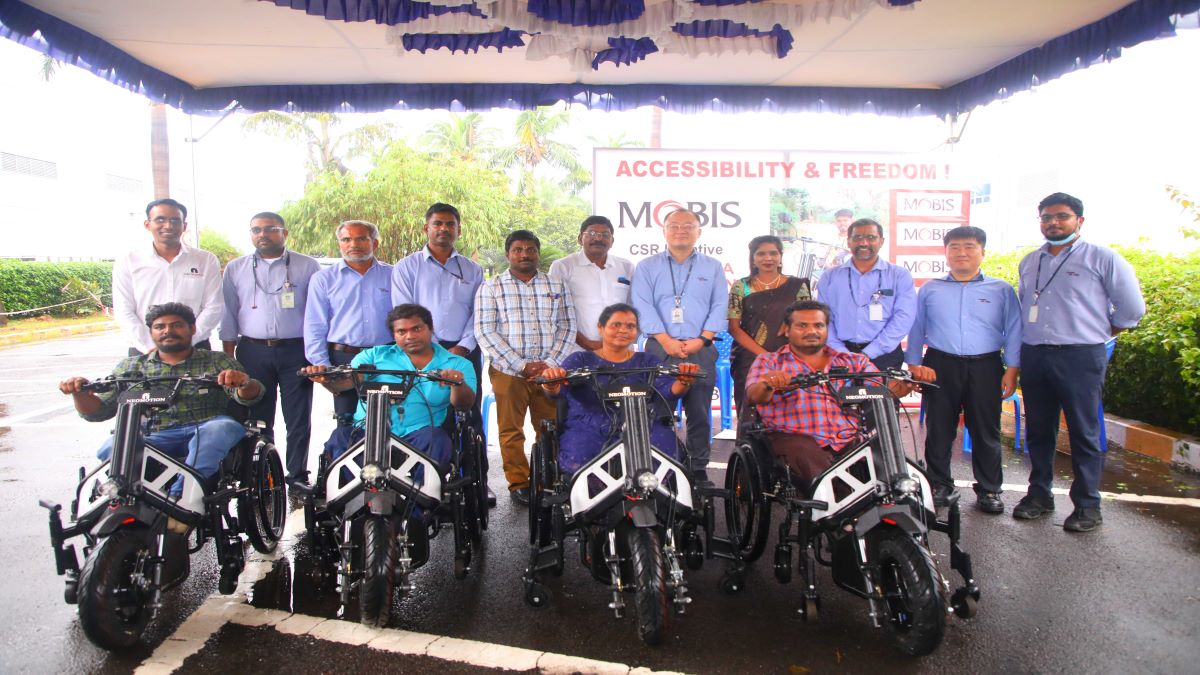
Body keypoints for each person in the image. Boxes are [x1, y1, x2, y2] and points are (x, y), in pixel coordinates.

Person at [59, 303, 263, 531]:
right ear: (152, 332)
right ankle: (126, 499)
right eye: (160, 326)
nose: (168, 331)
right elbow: (98, 411)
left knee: (217, 431)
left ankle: (181, 502)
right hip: (155, 435)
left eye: (176, 325)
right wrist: (79, 393)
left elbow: (250, 396)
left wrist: (243, 382)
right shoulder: (132, 367)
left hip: (206, 426)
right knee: (110, 447)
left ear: (193, 329)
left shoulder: (216, 361)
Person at [1012, 192, 1145, 532]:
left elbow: (1132, 310)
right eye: (1046, 217)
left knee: (1084, 432)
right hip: (1036, 354)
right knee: (1039, 429)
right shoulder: (1030, 261)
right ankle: (1039, 496)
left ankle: (1087, 505)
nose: (1053, 222)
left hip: (1080, 355)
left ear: (1079, 221)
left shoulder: (1103, 259)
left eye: (1062, 216)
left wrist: (1097, 333)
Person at [905, 226, 1021, 513]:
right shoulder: (931, 289)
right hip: (940, 364)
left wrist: (1013, 369)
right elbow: (916, 327)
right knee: (939, 428)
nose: (961, 253)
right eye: (954, 247)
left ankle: (989, 490)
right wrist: (914, 365)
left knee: (985, 429)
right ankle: (940, 485)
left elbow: (1015, 331)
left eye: (969, 246)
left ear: (982, 251)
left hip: (986, 365)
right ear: (946, 252)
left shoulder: (1001, 290)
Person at [744, 300, 921, 485]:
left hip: (847, 438)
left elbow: (883, 391)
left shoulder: (853, 361)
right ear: (786, 330)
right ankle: (839, 506)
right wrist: (768, 384)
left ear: (827, 329)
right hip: (794, 438)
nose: (811, 331)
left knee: (889, 462)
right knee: (821, 472)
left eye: (818, 325)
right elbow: (754, 396)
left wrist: (909, 382)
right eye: (802, 325)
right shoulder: (769, 361)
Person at [302, 304, 475, 468]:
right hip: (367, 433)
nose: (410, 336)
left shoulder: (457, 364)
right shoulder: (374, 356)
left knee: (438, 441)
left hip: (420, 434)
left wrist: (457, 383)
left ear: (431, 329)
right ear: (394, 335)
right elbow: (344, 384)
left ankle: (421, 499)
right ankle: (352, 498)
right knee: (339, 438)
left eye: (417, 328)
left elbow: (464, 404)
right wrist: (325, 379)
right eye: (402, 331)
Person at [220, 212, 321, 485]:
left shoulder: (307, 266)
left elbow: (317, 314)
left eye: (270, 229)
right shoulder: (236, 268)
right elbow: (228, 313)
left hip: (296, 351)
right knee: (258, 416)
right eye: (256, 230)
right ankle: (265, 474)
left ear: (284, 233)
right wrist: (228, 357)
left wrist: (316, 354)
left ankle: (297, 475)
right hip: (252, 351)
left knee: (298, 417)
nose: (262, 234)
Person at [476, 230, 576, 504]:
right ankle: (519, 483)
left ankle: (548, 479)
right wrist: (521, 365)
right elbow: (485, 331)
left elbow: (567, 326)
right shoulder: (491, 287)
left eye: (530, 249)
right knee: (511, 430)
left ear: (537, 253)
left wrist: (551, 363)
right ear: (508, 254)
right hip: (509, 372)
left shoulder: (556, 285)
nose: (524, 254)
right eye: (518, 249)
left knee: (551, 427)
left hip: (549, 372)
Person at [539, 304, 698, 474]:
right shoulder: (580, 359)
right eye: (616, 325)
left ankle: (658, 497)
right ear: (601, 328)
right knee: (578, 458)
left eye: (630, 326)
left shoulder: (647, 361)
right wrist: (550, 382)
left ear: (636, 332)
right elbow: (557, 392)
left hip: (643, 425)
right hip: (589, 426)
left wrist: (685, 380)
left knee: (669, 454)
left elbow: (669, 390)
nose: (623, 330)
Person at [630, 208, 728, 483]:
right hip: (660, 348)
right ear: (664, 230)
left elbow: (720, 305)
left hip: (701, 347)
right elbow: (642, 305)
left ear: (699, 231)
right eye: (674, 225)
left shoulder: (712, 266)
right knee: (659, 409)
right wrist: (666, 341)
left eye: (688, 225)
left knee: (699, 411)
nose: (681, 230)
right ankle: (660, 463)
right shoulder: (647, 266)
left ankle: (698, 469)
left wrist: (701, 339)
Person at [391, 203, 485, 420]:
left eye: (450, 224)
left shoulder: (473, 269)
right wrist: (431, 346)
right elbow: (404, 313)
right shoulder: (406, 267)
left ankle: (469, 455)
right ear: (426, 228)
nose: (444, 228)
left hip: (464, 351)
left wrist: (464, 346)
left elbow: (479, 312)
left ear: (458, 230)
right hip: (422, 350)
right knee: (426, 411)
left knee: (468, 413)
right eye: (438, 223)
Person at [303, 220, 394, 428]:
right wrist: (324, 367)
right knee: (347, 422)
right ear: (339, 244)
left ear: (375, 243)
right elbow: (314, 325)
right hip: (344, 358)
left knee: (389, 422)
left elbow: (404, 319)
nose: (354, 244)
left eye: (362, 238)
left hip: (385, 357)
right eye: (346, 239)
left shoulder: (393, 274)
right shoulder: (323, 279)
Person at [112, 198, 223, 355]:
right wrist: (150, 346)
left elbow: (214, 306)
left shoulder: (205, 260)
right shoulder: (129, 261)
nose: (168, 225)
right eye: (160, 219)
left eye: (175, 220)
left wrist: (187, 341)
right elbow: (123, 310)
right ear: (147, 224)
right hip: (144, 351)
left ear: (184, 226)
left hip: (195, 348)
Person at [728, 235, 812, 426]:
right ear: (753, 258)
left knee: (790, 409)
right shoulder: (741, 286)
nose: (768, 258)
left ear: (781, 256)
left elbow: (807, 319)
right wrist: (765, 357)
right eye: (761, 254)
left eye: (773, 253)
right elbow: (734, 328)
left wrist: (791, 322)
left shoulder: (797, 286)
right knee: (750, 410)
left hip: (789, 356)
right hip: (748, 358)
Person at [815, 218, 916, 370]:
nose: (864, 243)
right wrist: (843, 353)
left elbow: (903, 318)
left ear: (881, 241)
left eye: (871, 237)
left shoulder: (899, 275)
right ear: (848, 242)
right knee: (838, 395)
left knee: (882, 394)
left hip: (884, 356)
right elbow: (823, 318)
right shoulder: (830, 277)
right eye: (857, 238)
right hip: (839, 356)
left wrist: (869, 353)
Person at [548, 215, 635, 353]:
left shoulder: (626, 267)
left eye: (605, 235)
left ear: (612, 241)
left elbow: (634, 309)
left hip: (621, 351)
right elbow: (555, 313)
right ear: (580, 238)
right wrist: (588, 344)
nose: (598, 238)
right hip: (578, 351)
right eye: (592, 233)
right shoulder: (563, 267)